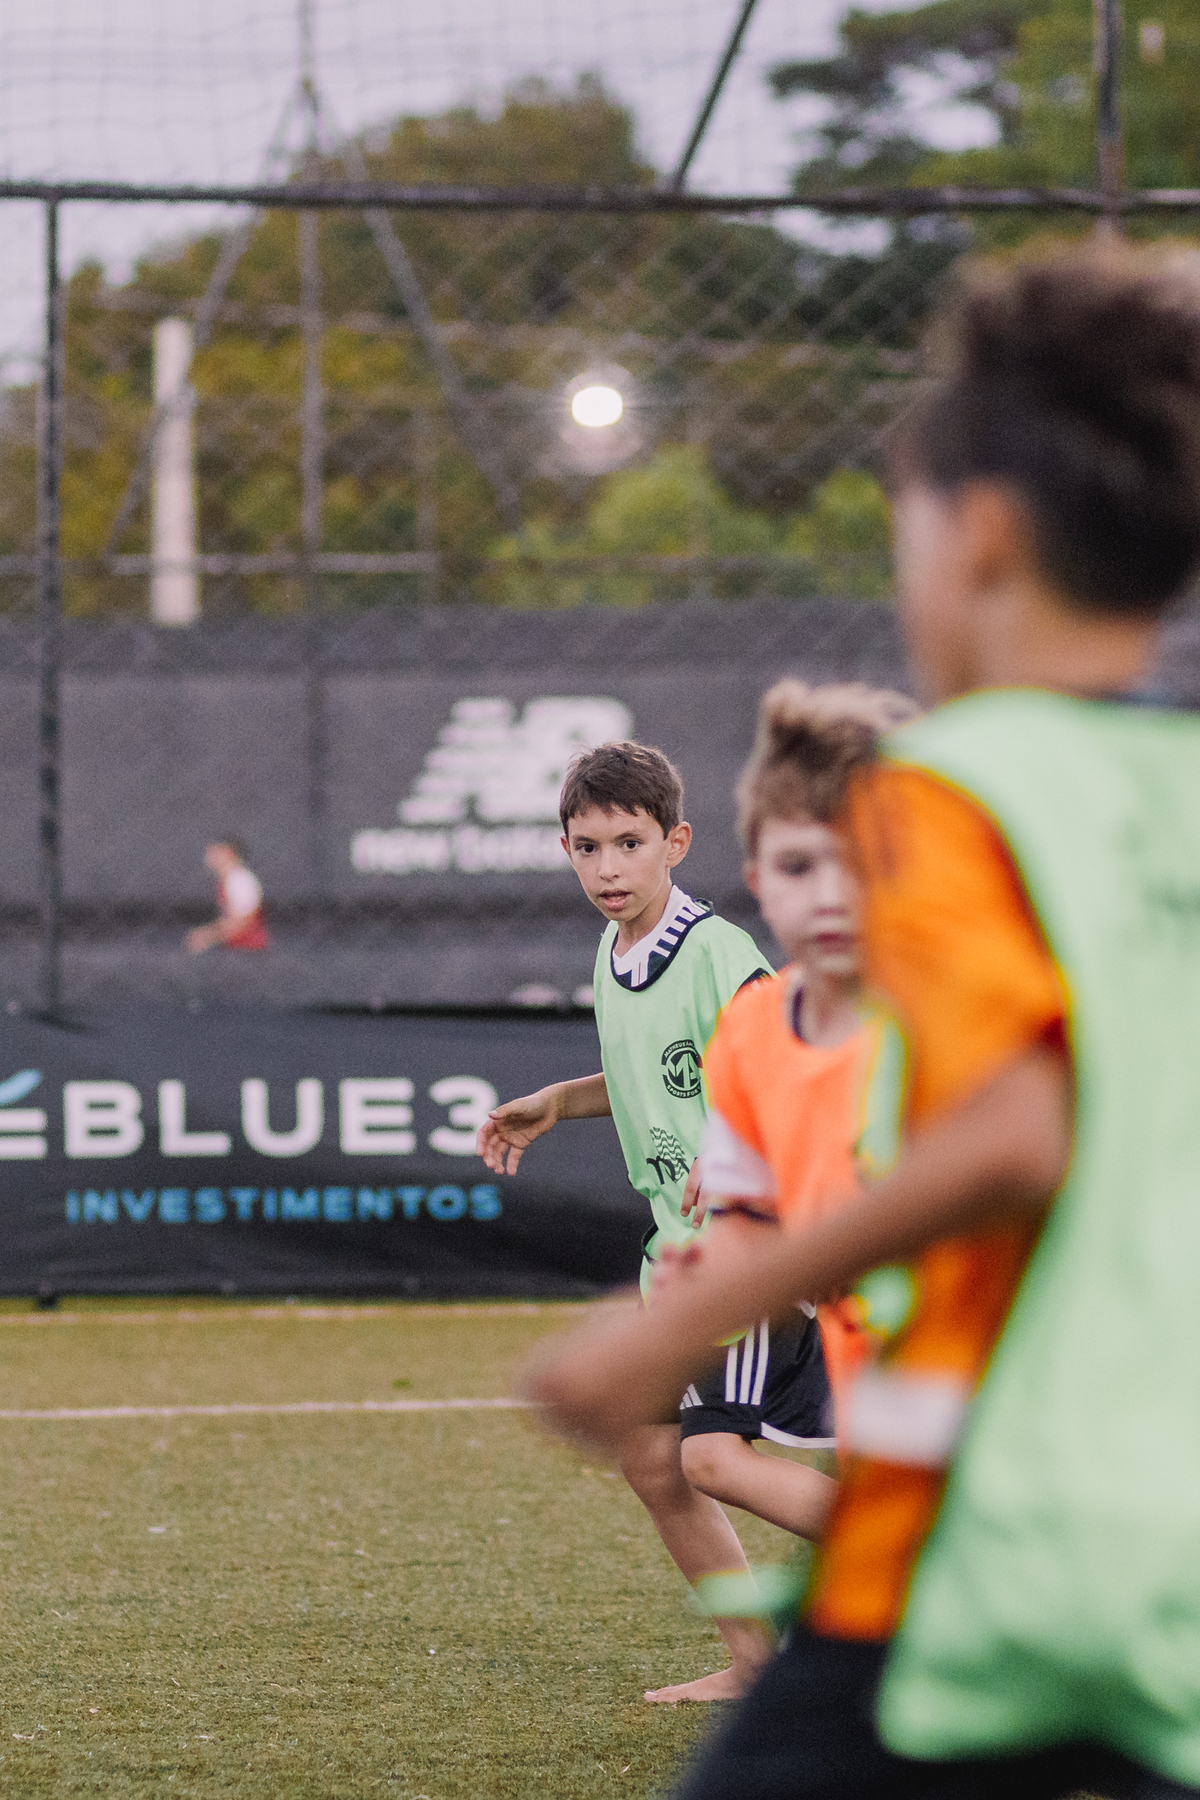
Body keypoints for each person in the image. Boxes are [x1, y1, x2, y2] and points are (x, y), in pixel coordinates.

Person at [522, 240, 1200, 1799]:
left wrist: (666, 1332)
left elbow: (1016, 1132)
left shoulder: (960, 786)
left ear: (982, 536)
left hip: (985, 1535)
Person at [477, 740, 837, 1704]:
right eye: (588, 848)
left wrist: (745, 1154)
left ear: (675, 843)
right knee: (652, 1460)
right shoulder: (614, 951)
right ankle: (755, 1665)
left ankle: (931, 1560)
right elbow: (651, 1073)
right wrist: (560, 1101)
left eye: (629, 844)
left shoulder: (716, 953)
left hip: (744, 1253)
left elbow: (790, 1065)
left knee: (712, 1457)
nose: (609, 868)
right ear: (565, 851)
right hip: (676, 1254)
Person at [684, 679, 917, 1461]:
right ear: (756, 879)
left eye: (863, 860)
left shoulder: (965, 1016)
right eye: (796, 865)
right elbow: (744, 1224)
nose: (830, 896)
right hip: (888, 1405)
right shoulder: (749, 1033)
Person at [185, 838, 269, 953]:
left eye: (214, 851)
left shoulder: (240, 880)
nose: (208, 856)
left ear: (228, 853)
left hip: (248, 951)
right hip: (235, 948)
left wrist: (206, 936)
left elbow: (243, 922)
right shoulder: (229, 879)